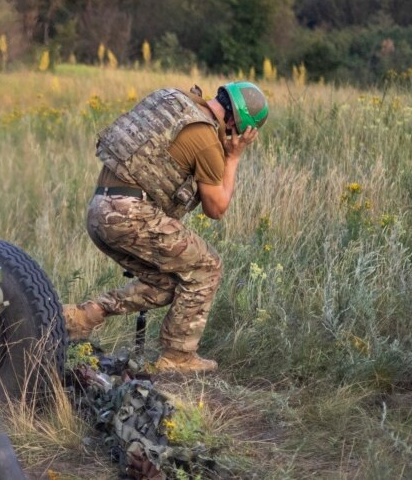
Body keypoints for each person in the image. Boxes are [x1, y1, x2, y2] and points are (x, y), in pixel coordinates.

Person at [63, 82, 268, 374]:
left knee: (166, 284)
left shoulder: (174, 99)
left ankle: (82, 318)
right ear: (237, 125)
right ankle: (178, 355)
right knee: (208, 266)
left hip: (100, 209)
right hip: (129, 213)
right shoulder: (207, 140)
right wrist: (233, 158)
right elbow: (217, 208)